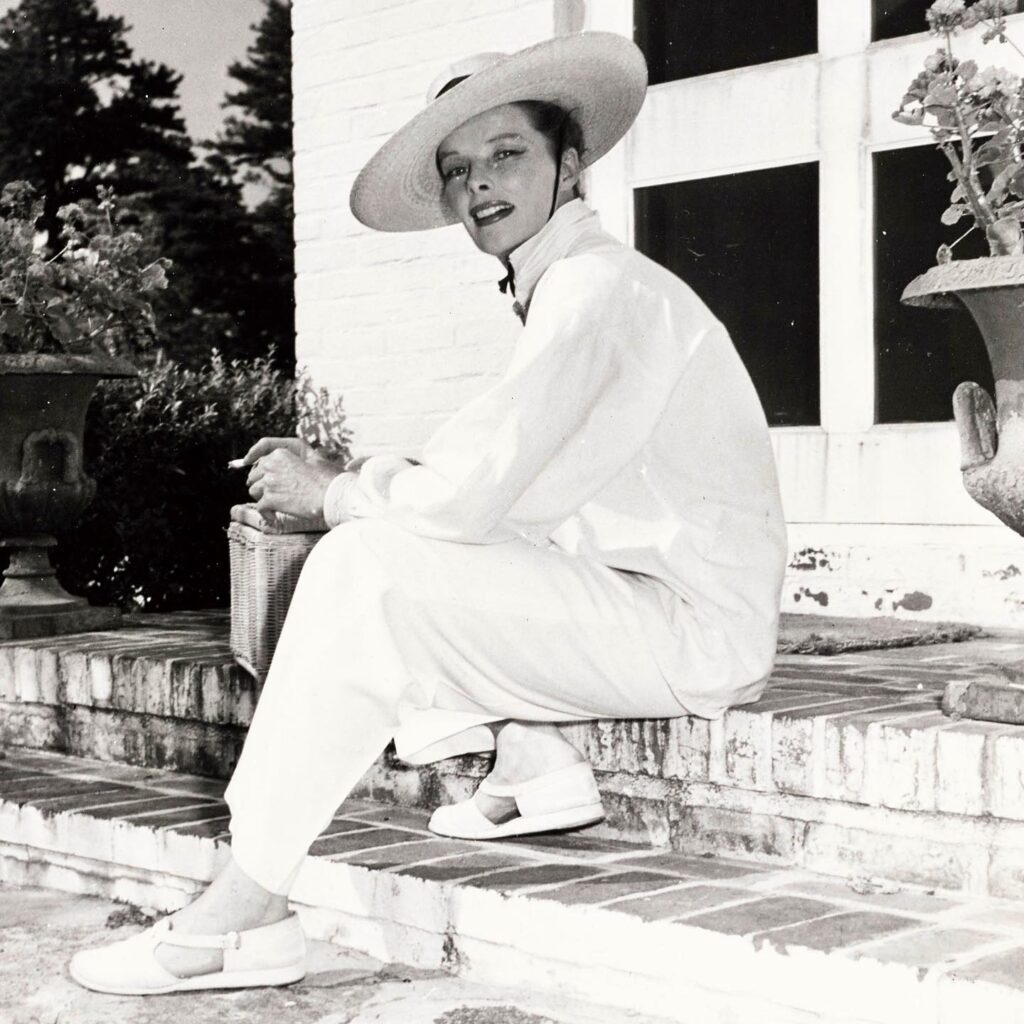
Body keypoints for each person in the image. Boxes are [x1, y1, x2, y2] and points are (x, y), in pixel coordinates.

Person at [69, 31, 786, 995]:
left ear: (569, 164)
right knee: (403, 540)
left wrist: (334, 491)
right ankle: (536, 755)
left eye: (507, 155)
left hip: (689, 630)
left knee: (367, 565)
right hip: (638, 604)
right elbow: (507, 482)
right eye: (458, 170)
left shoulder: (597, 291)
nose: (479, 185)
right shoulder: (573, 283)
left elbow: (473, 492)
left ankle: (246, 911)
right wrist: (358, 476)